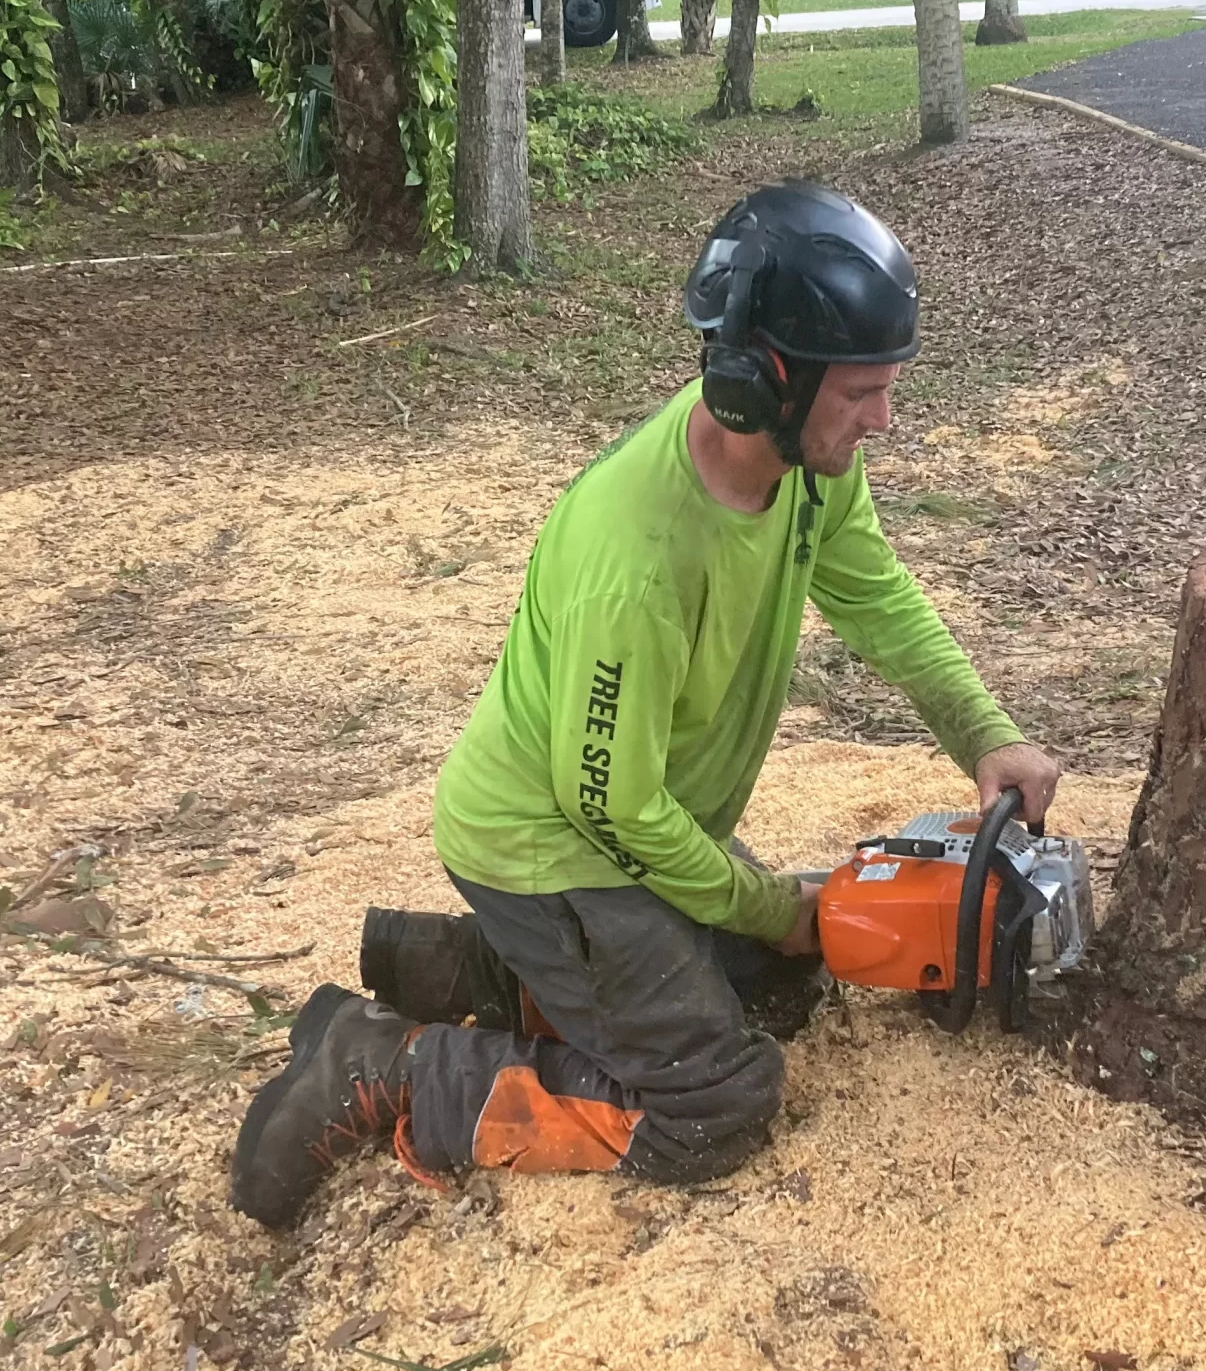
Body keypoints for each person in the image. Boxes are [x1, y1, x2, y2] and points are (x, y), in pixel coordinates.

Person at [230, 182, 1058, 1227]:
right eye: (861, 393)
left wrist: (985, 734)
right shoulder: (637, 555)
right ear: (763, 380)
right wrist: (773, 909)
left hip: (633, 827)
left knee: (783, 984)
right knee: (716, 1101)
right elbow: (612, 812)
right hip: (557, 844)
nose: (882, 420)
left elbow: (877, 598)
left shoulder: (807, 467)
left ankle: (460, 965)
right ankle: (386, 1065)